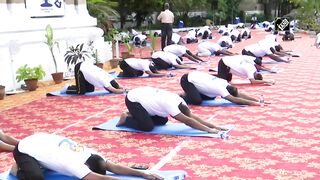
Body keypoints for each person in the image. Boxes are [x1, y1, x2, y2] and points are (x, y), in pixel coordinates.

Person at [11, 132, 163, 180]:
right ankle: (16, 169)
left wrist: (143, 174)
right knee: (36, 178)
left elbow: (114, 167)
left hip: (42, 140)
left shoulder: (91, 154)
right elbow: (102, 179)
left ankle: (40, 161)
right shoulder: (74, 164)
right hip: (24, 148)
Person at [117, 86, 226, 133]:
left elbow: (191, 117)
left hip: (144, 97)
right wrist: (209, 130)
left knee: (163, 120)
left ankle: (138, 115)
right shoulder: (171, 105)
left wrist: (215, 126)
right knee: (148, 127)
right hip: (133, 99)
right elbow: (188, 121)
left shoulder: (181, 101)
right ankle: (126, 117)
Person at [180, 71, 261, 106]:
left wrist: (256, 100)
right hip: (187, 80)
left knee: (211, 97)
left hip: (197, 78)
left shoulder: (225, 82)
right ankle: (182, 96)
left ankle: (193, 93)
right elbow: (234, 99)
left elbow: (237, 94)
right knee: (197, 101)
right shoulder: (220, 88)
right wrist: (254, 103)